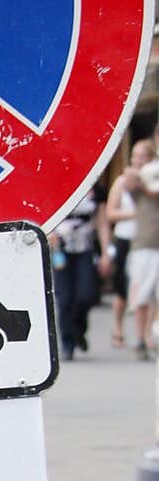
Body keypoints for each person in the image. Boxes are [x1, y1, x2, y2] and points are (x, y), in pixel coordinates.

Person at [50, 182, 111, 361]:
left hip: (85, 247)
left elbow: (102, 222)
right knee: (65, 297)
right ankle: (68, 343)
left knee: (87, 294)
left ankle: (79, 328)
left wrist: (107, 253)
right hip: (60, 248)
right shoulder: (55, 187)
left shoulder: (95, 190)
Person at [106, 144, 143, 347]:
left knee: (147, 288)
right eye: (136, 156)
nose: (139, 160)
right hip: (125, 238)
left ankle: (144, 334)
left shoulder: (151, 181)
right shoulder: (121, 182)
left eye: (143, 157)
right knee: (122, 287)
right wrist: (136, 215)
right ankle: (118, 327)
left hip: (146, 240)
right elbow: (111, 214)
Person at [125, 135, 159, 360]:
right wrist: (140, 170)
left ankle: (150, 336)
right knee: (143, 295)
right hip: (145, 243)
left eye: (142, 156)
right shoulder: (138, 178)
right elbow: (130, 182)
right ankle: (141, 338)